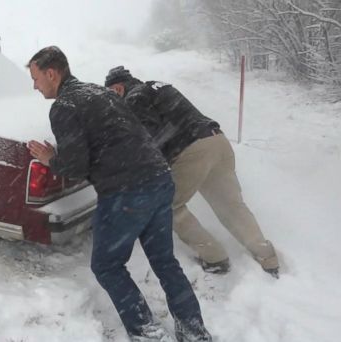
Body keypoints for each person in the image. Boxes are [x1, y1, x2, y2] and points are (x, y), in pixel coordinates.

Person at [27, 46, 212, 342]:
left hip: (127, 191)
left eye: (36, 78)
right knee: (165, 262)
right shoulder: (103, 94)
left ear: (52, 73)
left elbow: (75, 166)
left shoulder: (64, 106)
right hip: (160, 178)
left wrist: (51, 159)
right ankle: (194, 331)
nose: (35, 86)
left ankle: (147, 333)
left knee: (107, 264)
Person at [104, 66, 279, 277]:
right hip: (217, 141)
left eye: (112, 93)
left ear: (118, 87)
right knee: (231, 205)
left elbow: (148, 138)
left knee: (166, 205)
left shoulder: (135, 98)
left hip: (193, 149)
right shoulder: (154, 87)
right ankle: (267, 257)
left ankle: (214, 257)